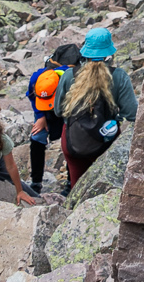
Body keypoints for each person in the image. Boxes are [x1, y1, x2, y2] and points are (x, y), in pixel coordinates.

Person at [53, 27, 138, 189]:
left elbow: (58, 111)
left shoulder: (69, 75)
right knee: (107, 187)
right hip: (106, 142)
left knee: (77, 187)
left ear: (85, 53)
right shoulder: (119, 76)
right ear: (110, 54)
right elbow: (132, 114)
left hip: (73, 142)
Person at [24, 42, 79, 196]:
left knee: (71, 143)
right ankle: (36, 183)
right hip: (45, 111)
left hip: (67, 110)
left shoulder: (72, 78)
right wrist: (40, 116)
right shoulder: (37, 77)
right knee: (36, 139)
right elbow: (32, 97)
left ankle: (71, 183)